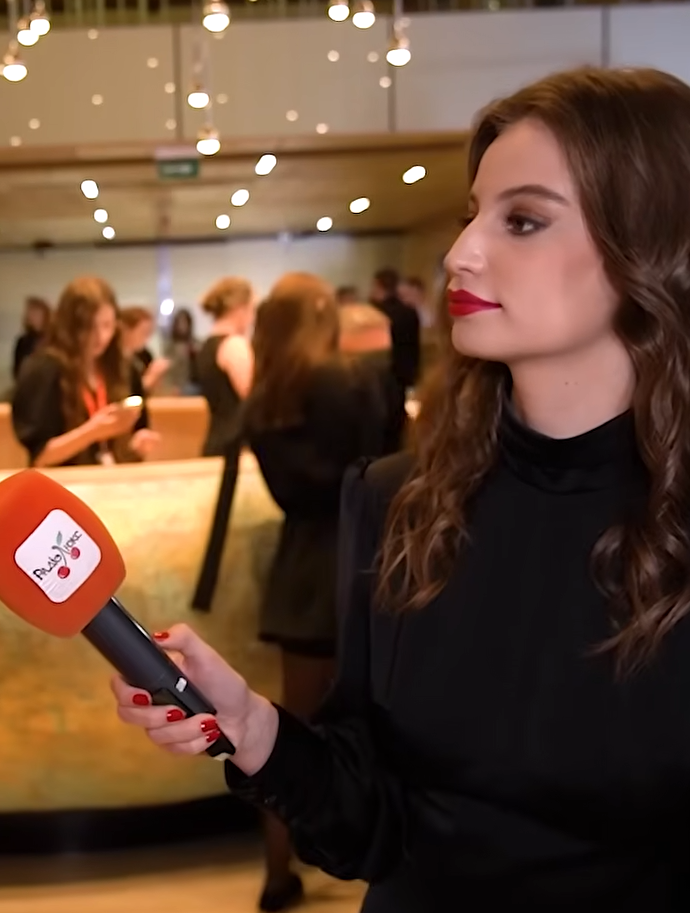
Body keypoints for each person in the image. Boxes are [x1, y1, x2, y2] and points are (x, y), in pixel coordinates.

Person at [111, 67, 690, 910]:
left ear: (654, 246)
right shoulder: (396, 500)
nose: (460, 254)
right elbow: (370, 828)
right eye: (471, 215)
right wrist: (254, 728)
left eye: (521, 220)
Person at [241, 272, 400, 911]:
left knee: (291, 736)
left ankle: (277, 873)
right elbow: (383, 460)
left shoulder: (264, 397)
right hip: (362, 562)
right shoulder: (343, 378)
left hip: (301, 570)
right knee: (383, 724)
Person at [10, 275, 159, 467]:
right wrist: (92, 432)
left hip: (112, 479)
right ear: (68, 327)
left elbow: (126, 444)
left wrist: (136, 446)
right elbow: (40, 457)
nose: (100, 337)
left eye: (107, 325)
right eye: (89, 327)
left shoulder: (124, 369)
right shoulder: (43, 371)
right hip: (64, 482)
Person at [194, 276, 255, 457]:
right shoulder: (234, 345)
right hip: (235, 445)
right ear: (240, 308)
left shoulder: (207, 345)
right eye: (252, 309)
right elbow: (252, 396)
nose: (252, 318)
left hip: (216, 438)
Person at [12, 295, 50, 380]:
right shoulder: (23, 341)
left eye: (35, 312)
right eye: (29, 312)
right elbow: (17, 369)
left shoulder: (52, 339)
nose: (32, 316)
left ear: (44, 314)